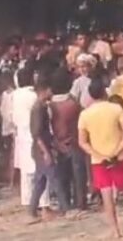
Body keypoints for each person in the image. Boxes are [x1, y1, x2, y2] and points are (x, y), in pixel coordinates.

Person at [78, 79, 123, 238]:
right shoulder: (116, 109)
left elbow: (82, 142)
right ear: (104, 92)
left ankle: (115, 230)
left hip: (99, 160)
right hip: (118, 156)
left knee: (106, 194)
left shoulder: (85, 114)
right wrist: (117, 151)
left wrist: (98, 154)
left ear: (90, 95)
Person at [28, 74, 69, 223]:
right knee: (54, 178)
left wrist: (56, 144)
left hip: (41, 147)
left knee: (41, 180)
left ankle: (32, 209)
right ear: (44, 90)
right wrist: (46, 152)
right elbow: (37, 133)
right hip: (41, 149)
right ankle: (65, 208)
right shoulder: (38, 109)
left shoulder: (42, 107)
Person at [49, 69, 88, 212]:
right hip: (75, 141)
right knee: (79, 175)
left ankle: (65, 203)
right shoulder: (73, 103)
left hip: (58, 143)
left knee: (62, 175)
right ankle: (81, 203)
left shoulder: (50, 105)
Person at [11, 68, 48, 211]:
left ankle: (27, 201)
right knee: (41, 169)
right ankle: (44, 204)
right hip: (34, 132)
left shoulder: (13, 95)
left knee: (26, 171)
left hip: (21, 133)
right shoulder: (33, 96)